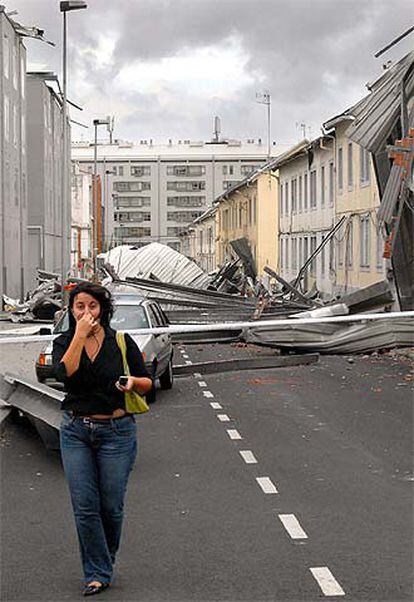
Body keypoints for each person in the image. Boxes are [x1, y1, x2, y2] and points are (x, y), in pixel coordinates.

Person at [52, 282, 152, 597]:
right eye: (79, 306)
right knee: (84, 506)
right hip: (75, 431)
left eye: (92, 306)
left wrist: (133, 382)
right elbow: (64, 373)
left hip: (117, 433)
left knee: (111, 506)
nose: (86, 312)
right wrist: (80, 334)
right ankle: (97, 571)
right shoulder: (65, 341)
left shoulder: (120, 341)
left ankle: (102, 560)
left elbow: (147, 382)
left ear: (103, 309)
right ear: (71, 310)